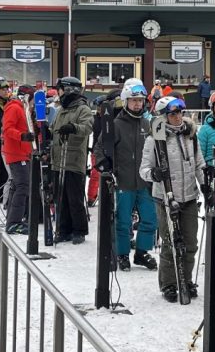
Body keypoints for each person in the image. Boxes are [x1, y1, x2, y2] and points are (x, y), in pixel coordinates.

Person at [141, 96, 207, 302]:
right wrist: (154, 175)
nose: (177, 117)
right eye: (172, 114)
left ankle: (186, 279)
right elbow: (144, 169)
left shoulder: (191, 136)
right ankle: (169, 283)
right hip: (165, 197)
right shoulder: (154, 139)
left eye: (180, 112)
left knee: (190, 242)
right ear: (163, 116)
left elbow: (198, 164)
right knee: (170, 243)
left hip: (188, 197)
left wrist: (205, 183)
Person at [94, 81, 158, 272]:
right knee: (123, 221)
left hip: (145, 181)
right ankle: (122, 253)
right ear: (125, 101)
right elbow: (100, 147)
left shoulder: (148, 124)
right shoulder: (116, 125)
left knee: (150, 219)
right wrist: (103, 162)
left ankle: (141, 252)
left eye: (140, 101)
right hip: (123, 180)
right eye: (133, 101)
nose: (137, 104)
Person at [50, 76, 94, 244]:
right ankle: (64, 229)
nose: (58, 92)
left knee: (74, 197)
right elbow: (55, 129)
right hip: (58, 158)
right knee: (60, 196)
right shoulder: (61, 109)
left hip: (74, 158)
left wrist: (74, 127)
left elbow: (88, 128)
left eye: (60, 89)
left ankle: (79, 229)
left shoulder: (82, 109)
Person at [1, 85, 34, 235]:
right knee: (23, 186)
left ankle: (12, 219)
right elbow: (8, 129)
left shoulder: (22, 109)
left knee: (18, 186)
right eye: (31, 99)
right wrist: (22, 136)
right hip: (16, 153)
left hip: (22, 152)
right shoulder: (14, 108)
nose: (32, 103)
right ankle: (14, 222)